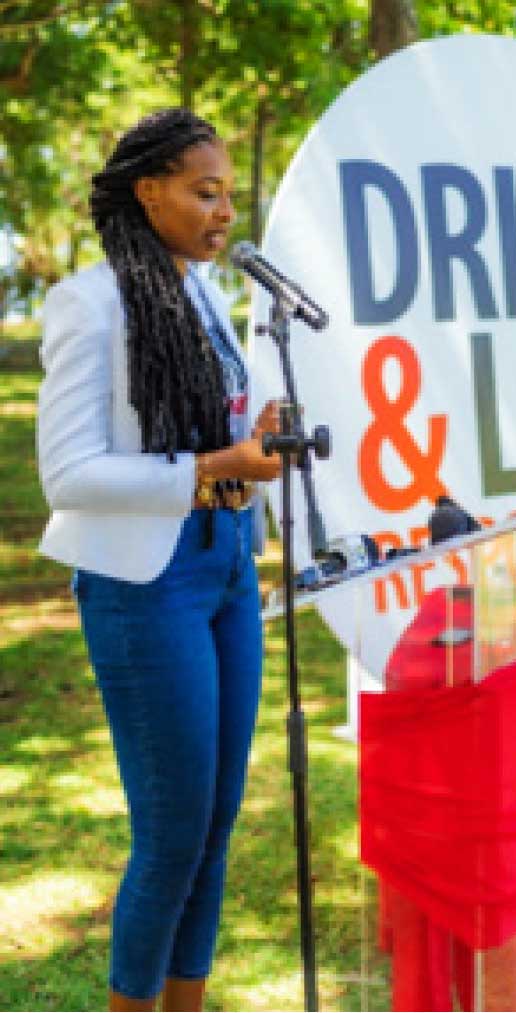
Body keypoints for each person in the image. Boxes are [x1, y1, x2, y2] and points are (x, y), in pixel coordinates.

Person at [36, 108, 282, 1012]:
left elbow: (204, 428)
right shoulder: (88, 301)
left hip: (225, 565)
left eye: (227, 195)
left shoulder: (204, 292)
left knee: (215, 823)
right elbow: (65, 473)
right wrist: (213, 467)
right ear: (148, 191)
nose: (223, 211)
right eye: (203, 192)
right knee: (173, 829)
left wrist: (245, 444)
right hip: (146, 586)